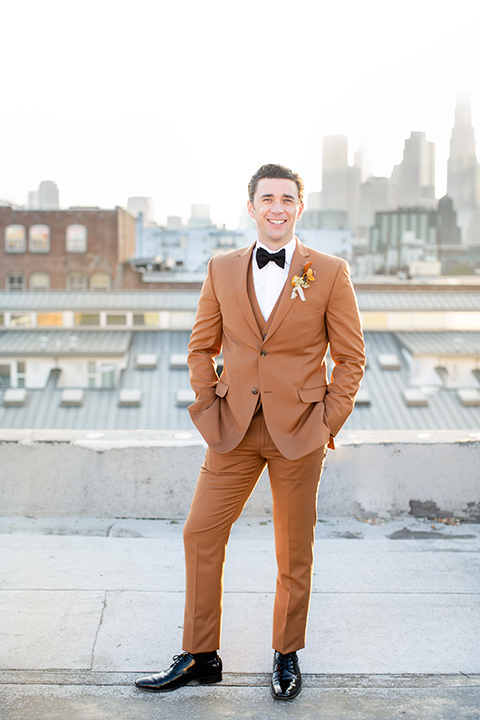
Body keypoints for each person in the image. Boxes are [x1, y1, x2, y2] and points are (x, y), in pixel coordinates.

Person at [135, 163, 366, 700]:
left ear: (299, 207)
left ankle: (286, 655)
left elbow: (351, 358)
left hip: (300, 432)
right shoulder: (220, 268)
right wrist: (208, 399)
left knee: (294, 550)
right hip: (232, 430)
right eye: (268, 198)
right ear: (252, 207)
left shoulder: (328, 272)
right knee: (200, 532)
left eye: (288, 198)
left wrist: (327, 420)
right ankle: (200, 654)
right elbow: (201, 347)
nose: (277, 207)